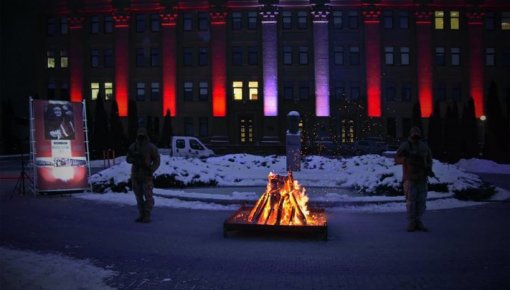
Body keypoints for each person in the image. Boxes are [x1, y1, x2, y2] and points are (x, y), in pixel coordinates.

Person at [395, 126, 433, 232]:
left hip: (422, 178)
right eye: (414, 133)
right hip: (410, 178)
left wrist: (429, 169)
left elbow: (429, 160)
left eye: (417, 133)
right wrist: (407, 159)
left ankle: (418, 221)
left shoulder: (424, 147)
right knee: (411, 202)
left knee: (421, 201)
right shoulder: (405, 146)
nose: (416, 135)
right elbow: (397, 159)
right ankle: (412, 222)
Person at [126, 127, 160, 223]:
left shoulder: (150, 147)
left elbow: (157, 160)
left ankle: (147, 215)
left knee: (148, 196)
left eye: (142, 135)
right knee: (138, 196)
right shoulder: (133, 146)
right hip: (136, 175)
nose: (141, 137)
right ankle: (141, 215)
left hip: (146, 175)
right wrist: (134, 159)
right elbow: (128, 159)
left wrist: (151, 169)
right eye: (139, 135)